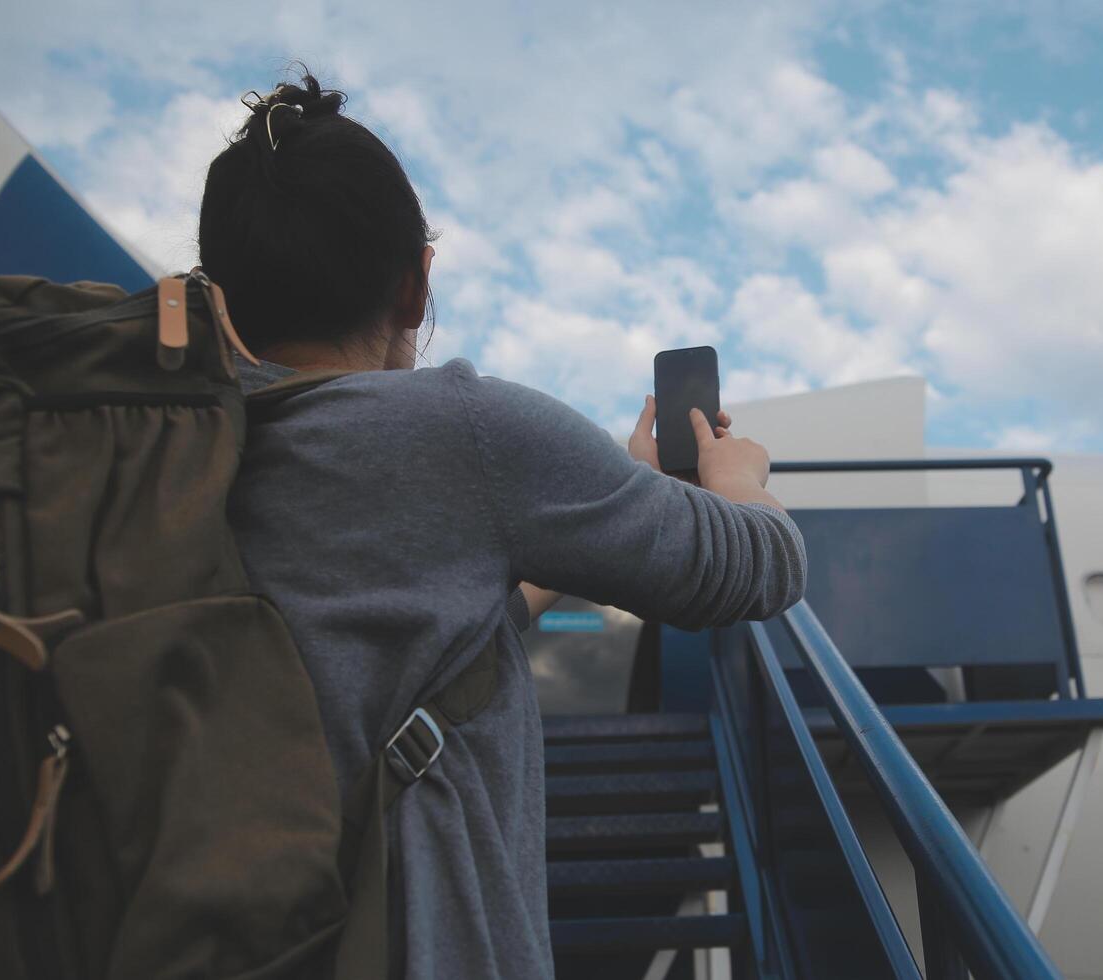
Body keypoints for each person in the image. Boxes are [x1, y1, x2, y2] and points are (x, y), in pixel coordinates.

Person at [200, 74, 807, 979]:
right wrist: (736, 479)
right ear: (415, 282)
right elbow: (758, 567)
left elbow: (422, 639)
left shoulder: (181, 453)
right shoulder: (468, 432)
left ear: (218, 292)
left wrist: (598, 517)